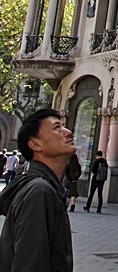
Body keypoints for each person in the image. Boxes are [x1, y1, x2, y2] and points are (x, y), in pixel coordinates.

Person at [0, 108, 75, 272]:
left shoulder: (47, 188)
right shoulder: (38, 191)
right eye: (57, 128)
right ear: (35, 144)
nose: (68, 132)